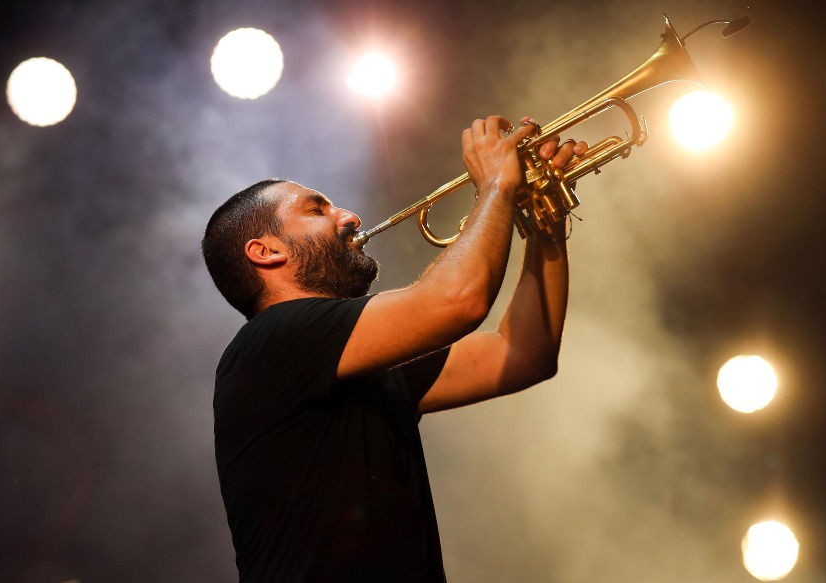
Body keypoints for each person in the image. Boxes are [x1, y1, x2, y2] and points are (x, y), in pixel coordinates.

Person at [201, 115, 587, 582]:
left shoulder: (359, 361)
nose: (350, 216)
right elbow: (459, 301)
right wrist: (495, 185)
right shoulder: (272, 341)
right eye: (316, 209)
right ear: (266, 251)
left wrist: (545, 218)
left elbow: (523, 353)